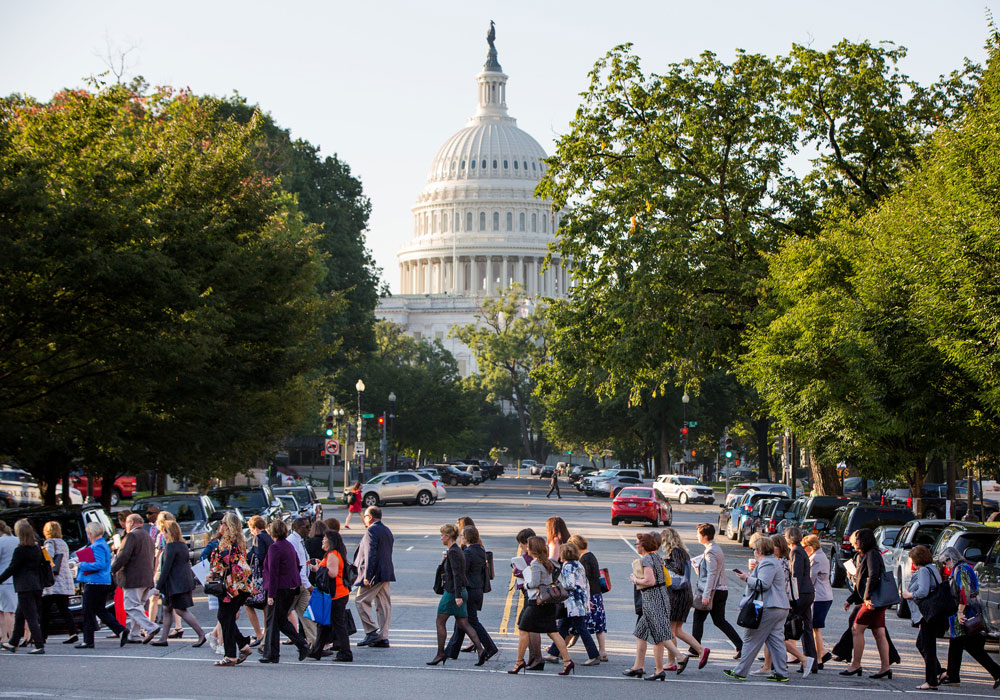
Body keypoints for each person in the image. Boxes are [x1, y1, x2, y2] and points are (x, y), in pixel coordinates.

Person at [724, 535, 790, 683]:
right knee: (775, 640)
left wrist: (747, 579)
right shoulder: (772, 561)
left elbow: (763, 584)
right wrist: (749, 576)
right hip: (779, 606)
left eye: (754, 549)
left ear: (760, 550)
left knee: (751, 638)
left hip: (769, 605)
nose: (753, 551)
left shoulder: (767, 563)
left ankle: (740, 671)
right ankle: (781, 672)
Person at [509, 536, 573, 675]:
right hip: (548, 603)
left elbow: (535, 583)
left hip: (536, 604)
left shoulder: (536, 563)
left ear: (533, 549)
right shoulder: (549, 563)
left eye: (529, 546)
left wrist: (526, 584)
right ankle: (568, 662)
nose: (527, 548)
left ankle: (519, 662)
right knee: (553, 633)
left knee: (523, 629)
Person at [937, 546, 1000, 688]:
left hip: (967, 613)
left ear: (951, 559)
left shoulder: (961, 569)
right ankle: (953, 675)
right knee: (959, 643)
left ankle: (995, 672)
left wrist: (960, 612)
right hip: (966, 612)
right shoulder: (962, 568)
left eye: (945, 562)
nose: (944, 566)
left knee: (967, 644)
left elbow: (964, 592)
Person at [624, 531, 683, 680]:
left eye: (637, 544)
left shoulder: (646, 560)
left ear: (643, 546)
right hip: (659, 598)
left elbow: (650, 581)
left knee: (658, 636)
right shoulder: (656, 557)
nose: (636, 546)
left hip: (654, 600)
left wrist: (635, 579)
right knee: (640, 633)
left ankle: (667, 665)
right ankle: (638, 666)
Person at [427, 524, 488, 666]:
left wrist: (458, 595)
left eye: (442, 535)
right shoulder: (457, 551)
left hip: (453, 593)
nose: (441, 538)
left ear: (448, 537)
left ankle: (440, 653)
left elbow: (457, 574)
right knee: (463, 623)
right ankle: (480, 649)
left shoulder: (454, 552)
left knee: (440, 622)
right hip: (461, 592)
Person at [839, 528, 892, 680]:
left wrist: (867, 597)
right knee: (879, 632)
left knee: (857, 629)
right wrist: (851, 599)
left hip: (872, 600)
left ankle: (856, 664)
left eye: (858, 540)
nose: (855, 543)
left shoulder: (871, 555)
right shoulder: (868, 555)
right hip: (876, 599)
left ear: (865, 541)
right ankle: (885, 667)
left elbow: (873, 576)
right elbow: (863, 581)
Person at [444, 524, 498, 660]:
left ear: (466, 537)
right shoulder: (480, 549)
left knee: (471, 621)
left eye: (462, 535)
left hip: (470, 589)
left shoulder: (468, 553)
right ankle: (451, 651)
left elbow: (462, 571)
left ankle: (490, 647)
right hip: (478, 588)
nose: (460, 538)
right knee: (461, 621)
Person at [259, 519, 310, 663]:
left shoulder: (274, 548)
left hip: (279, 589)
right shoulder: (288, 545)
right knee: (280, 621)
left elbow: (273, 572)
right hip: (290, 587)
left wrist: (271, 594)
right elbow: (297, 565)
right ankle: (300, 645)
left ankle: (272, 654)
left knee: (272, 621)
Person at [690, 523, 743, 659]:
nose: (697, 536)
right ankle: (741, 646)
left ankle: (695, 648)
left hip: (714, 591)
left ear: (705, 536)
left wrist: (706, 594)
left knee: (698, 618)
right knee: (719, 620)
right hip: (721, 589)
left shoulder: (710, 551)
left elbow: (712, 573)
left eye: (698, 534)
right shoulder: (714, 548)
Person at [208, 512, 253, 667]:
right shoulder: (240, 540)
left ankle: (231, 656)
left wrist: (211, 575)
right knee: (226, 616)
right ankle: (243, 645)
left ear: (228, 526)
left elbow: (222, 563)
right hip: (242, 585)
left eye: (222, 522)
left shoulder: (226, 541)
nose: (220, 525)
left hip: (231, 586)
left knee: (225, 617)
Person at [151, 520, 206, 647]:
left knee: (181, 610)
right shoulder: (182, 545)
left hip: (176, 584)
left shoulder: (171, 547)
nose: (162, 534)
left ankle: (201, 634)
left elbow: (166, 568)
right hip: (181, 582)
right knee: (167, 609)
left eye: (164, 531)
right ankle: (163, 638)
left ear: (168, 532)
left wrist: (158, 587)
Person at [544, 541, 600, 665]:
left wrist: (556, 587)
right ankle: (553, 653)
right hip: (579, 601)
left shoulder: (568, 566)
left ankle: (594, 655)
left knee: (581, 629)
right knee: (563, 627)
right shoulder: (578, 564)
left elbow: (569, 584)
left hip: (572, 603)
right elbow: (585, 583)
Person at [661, 527, 709, 671]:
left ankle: (671, 662)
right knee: (678, 630)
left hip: (678, 594)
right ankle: (700, 650)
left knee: (670, 630)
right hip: (684, 592)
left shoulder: (676, 552)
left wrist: (665, 562)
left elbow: (679, 568)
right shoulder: (683, 552)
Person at [74, 521, 127, 649]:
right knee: (99, 609)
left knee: (88, 611)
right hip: (101, 581)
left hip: (95, 581)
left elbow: (100, 564)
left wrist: (83, 564)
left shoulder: (97, 546)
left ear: (91, 533)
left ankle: (88, 640)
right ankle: (120, 630)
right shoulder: (102, 544)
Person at [901, 544, 945, 690]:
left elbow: (923, 591)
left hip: (927, 613)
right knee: (922, 644)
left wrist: (909, 595)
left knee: (928, 646)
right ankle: (938, 672)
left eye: (913, 560)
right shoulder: (933, 569)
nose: (912, 563)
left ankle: (931, 680)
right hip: (933, 612)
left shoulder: (924, 571)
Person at [111, 512, 160, 643]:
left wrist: (113, 569)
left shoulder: (131, 536)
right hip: (146, 577)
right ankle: (135, 634)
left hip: (132, 577)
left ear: (131, 523)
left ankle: (151, 627)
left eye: (127, 523)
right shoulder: (148, 536)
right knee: (138, 605)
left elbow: (123, 555)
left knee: (130, 606)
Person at [0, 519, 45, 654]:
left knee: (30, 616)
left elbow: (12, 568)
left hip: (24, 586)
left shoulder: (20, 550)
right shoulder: (36, 548)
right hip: (36, 584)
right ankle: (13, 642)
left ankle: (39, 644)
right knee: (20, 615)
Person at [307, 529, 352, 662]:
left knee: (338, 624)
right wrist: (320, 566)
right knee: (324, 624)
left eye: (325, 538)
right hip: (337, 593)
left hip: (336, 594)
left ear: (330, 541)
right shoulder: (334, 554)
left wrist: (319, 568)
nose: (323, 540)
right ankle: (317, 651)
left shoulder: (332, 554)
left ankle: (346, 652)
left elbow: (332, 573)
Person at [353, 506, 394, 648]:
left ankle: (371, 631)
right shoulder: (386, 529)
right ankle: (383, 637)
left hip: (373, 574)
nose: (364, 518)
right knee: (383, 605)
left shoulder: (371, 530)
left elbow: (371, 553)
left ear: (370, 517)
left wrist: (367, 575)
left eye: (365, 516)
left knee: (360, 600)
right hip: (385, 572)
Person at [568, 534, 608, 661]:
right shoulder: (591, 556)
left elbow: (582, 579)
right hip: (597, 594)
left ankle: (559, 647)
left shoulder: (583, 560)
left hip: (589, 595)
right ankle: (602, 651)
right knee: (598, 624)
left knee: (577, 622)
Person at [785, 527, 817, 674]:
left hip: (802, 592)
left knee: (785, 624)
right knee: (807, 627)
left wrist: (792, 598)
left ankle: (776, 659)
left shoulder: (796, 551)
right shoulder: (799, 550)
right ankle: (812, 661)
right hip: (807, 591)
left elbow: (795, 576)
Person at [40, 521, 77, 645]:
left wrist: (42, 551)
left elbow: (48, 558)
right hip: (65, 579)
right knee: (64, 608)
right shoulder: (63, 543)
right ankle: (73, 632)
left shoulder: (50, 542)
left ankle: (42, 635)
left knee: (45, 610)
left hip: (54, 581)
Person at [510, 527, 542, 669]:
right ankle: (533, 657)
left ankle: (536, 658)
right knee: (529, 625)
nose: (521, 548)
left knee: (528, 626)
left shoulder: (530, 557)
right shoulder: (540, 554)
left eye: (521, 544)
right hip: (535, 594)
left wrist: (516, 571)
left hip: (531, 593)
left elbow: (527, 574)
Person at [802, 535, 832, 666]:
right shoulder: (820, 556)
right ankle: (822, 653)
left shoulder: (816, 558)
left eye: (805, 547)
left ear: (810, 546)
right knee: (815, 628)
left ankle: (819, 657)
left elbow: (810, 578)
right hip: (823, 595)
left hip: (819, 596)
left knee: (815, 628)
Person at [287, 518, 317, 647]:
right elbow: (297, 566)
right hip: (296, 585)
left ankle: (315, 644)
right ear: (298, 528)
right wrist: (308, 585)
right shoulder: (293, 541)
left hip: (302, 585)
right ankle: (266, 643)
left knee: (307, 615)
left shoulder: (300, 541)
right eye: (307, 527)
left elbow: (303, 563)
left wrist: (310, 567)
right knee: (280, 616)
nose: (309, 529)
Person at [245, 515, 272, 647]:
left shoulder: (258, 538)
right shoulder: (269, 537)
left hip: (259, 577)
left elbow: (258, 556)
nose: (251, 531)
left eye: (250, 528)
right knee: (266, 606)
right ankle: (266, 634)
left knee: (248, 603)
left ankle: (259, 634)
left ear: (255, 528)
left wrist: (249, 555)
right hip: (269, 576)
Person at [0, 520, 15, 645]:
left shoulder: (1, 542)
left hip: (3, 580)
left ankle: (9, 638)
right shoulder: (16, 540)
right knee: (10, 610)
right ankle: (5, 638)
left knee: (7, 611)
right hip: (16, 580)